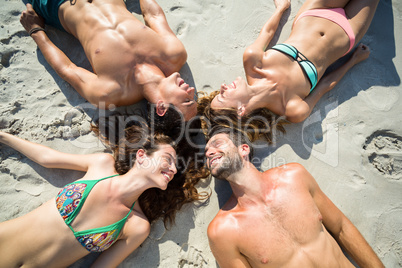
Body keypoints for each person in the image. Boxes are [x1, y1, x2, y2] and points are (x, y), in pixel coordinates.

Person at [0, 126, 207, 267]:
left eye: (175, 166)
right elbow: (48, 158)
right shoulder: (102, 165)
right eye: (168, 159)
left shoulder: (136, 226)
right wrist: (3, 136)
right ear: (142, 156)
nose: (172, 169)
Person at [204, 126, 384, 267]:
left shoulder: (294, 177)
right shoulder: (222, 231)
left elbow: (341, 228)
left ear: (244, 149)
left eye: (217, 144)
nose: (208, 152)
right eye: (206, 152)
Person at [200, 0, 379, 126]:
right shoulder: (292, 109)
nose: (222, 86)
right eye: (222, 96)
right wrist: (353, 61)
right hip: (348, 34)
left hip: (317, 9)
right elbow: (325, 85)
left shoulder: (253, 62)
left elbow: (268, 32)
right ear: (240, 111)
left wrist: (281, 8)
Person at [19, 0, 197, 121]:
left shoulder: (109, 93)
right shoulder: (174, 54)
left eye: (187, 100)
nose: (190, 90)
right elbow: (154, 16)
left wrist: (36, 31)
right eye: (193, 97)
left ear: (161, 107)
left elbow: (67, 68)